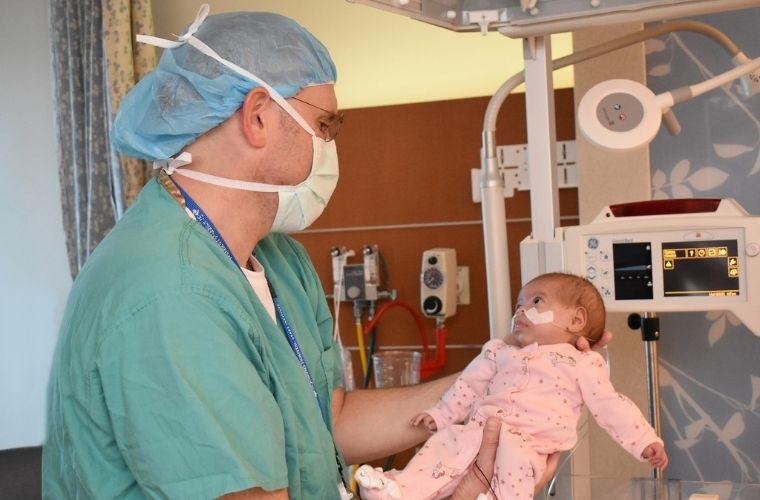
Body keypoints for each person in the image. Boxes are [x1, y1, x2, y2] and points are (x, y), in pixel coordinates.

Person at [42, 5, 609, 499]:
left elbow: (329, 419)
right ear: (259, 115)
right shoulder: (171, 295)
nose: (332, 144)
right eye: (326, 124)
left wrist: (509, 367)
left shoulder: (278, 262)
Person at [355, 272, 667, 500]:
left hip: (529, 443)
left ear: (576, 320)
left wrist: (643, 440)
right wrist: (441, 415)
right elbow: (468, 385)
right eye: (519, 304)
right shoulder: (499, 352)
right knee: (443, 442)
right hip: (477, 431)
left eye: (536, 301)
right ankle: (403, 490)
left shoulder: (583, 364)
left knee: (513, 457)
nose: (520, 310)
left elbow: (610, 405)